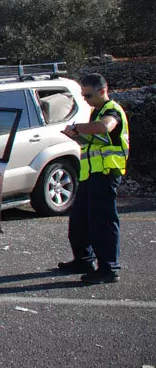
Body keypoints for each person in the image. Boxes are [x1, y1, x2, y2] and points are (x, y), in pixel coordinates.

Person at [59, 73, 129, 284]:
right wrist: (76, 136)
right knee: (79, 220)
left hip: (106, 174)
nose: (85, 99)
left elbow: (105, 127)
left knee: (103, 222)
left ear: (102, 91)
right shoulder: (95, 111)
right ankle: (83, 260)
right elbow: (96, 140)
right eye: (83, 95)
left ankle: (109, 269)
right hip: (90, 174)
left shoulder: (111, 111)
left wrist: (77, 128)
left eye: (88, 95)